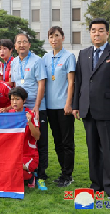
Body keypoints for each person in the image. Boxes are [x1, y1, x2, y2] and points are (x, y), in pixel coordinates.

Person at [72, 18, 110, 198]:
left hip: (109, 111)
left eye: (101, 30)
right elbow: (79, 82)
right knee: (93, 150)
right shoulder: (83, 53)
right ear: (90, 33)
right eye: (94, 30)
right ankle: (97, 186)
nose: (97, 33)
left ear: (107, 33)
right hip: (87, 110)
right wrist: (76, 106)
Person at [10, 33, 48, 190]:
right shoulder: (14, 62)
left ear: (29, 45)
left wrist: (37, 107)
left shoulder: (37, 61)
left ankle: (41, 175)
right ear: (15, 46)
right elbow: (14, 83)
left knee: (40, 142)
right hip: (19, 108)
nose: (22, 45)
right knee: (22, 141)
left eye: (25, 42)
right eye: (19, 42)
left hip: (36, 107)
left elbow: (41, 84)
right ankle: (26, 171)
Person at [43, 27, 76, 187]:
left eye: (57, 36)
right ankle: (63, 172)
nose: (54, 39)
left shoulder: (69, 56)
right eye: (51, 36)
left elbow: (71, 82)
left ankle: (68, 175)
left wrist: (69, 103)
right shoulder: (46, 57)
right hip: (49, 107)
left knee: (67, 142)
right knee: (57, 141)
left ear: (63, 37)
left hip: (64, 107)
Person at [8, 87, 40, 189]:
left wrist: (29, 122)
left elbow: (37, 136)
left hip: (29, 154)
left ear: (24, 100)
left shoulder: (30, 114)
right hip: (14, 153)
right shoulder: (9, 114)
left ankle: (30, 176)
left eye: (17, 99)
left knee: (16, 169)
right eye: (12, 99)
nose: (14, 102)